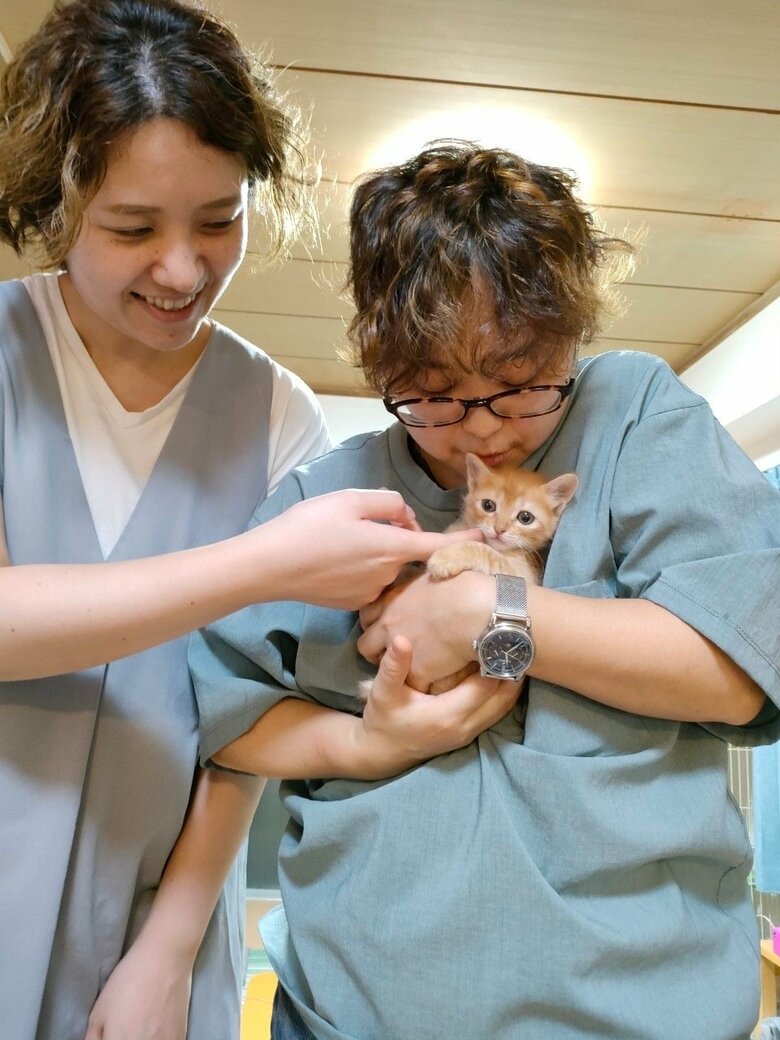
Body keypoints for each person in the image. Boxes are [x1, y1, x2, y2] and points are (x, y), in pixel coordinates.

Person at [188, 140, 780, 1040]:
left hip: (648, 1012)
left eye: (517, 386)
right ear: (382, 364)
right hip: (352, 1012)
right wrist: (367, 743)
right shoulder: (325, 497)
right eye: (433, 396)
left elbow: (737, 670)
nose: (484, 428)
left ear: (570, 336)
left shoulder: (635, 417)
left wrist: (489, 615)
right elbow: (226, 720)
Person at [0, 6, 516, 1037]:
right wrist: (262, 561)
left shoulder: (279, 411)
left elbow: (245, 716)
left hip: (159, 909)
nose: (183, 270)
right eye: (133, 228)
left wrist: (166, 949)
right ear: (54, 203)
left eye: (218, 220)